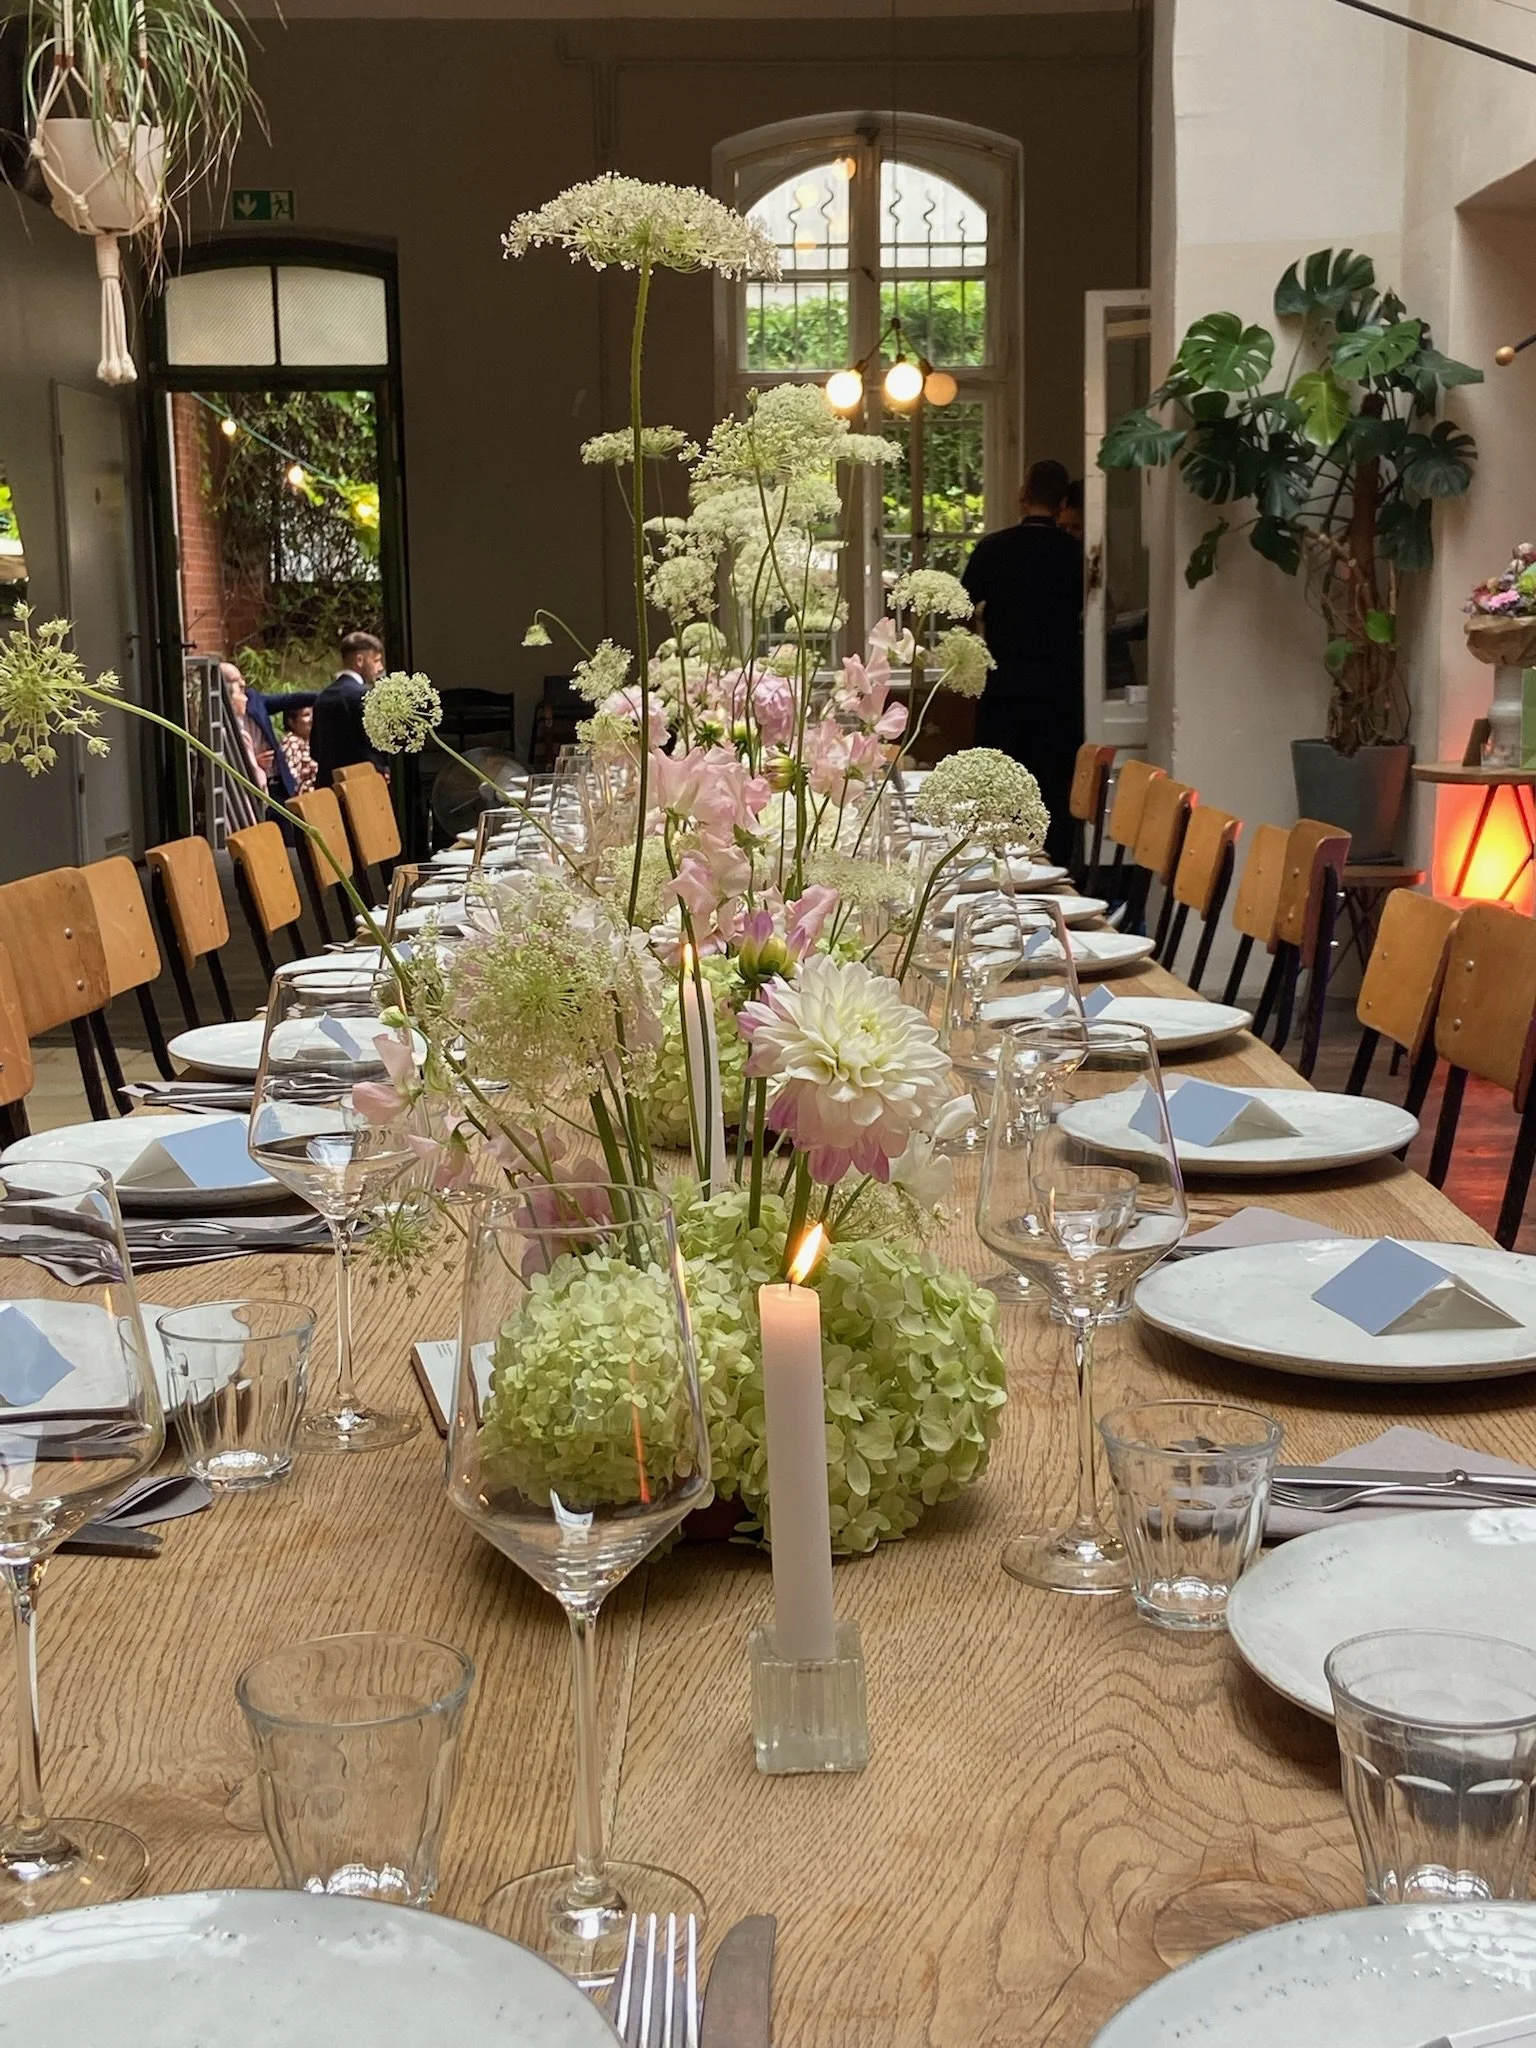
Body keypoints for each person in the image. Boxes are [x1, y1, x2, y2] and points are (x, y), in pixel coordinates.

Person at [961, 459, 1084, 865]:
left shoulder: (993, 549)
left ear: (1022, 496)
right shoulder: (1076, 555)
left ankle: (998, 877)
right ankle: (1059, 887)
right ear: (1063, 501)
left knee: (999, 801)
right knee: (1053, 800)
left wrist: (981, 636)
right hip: (1060, 693)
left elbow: (959, 606)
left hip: (1004, 690)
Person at [219, 660, 318, 805]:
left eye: (242, 678)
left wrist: (323, 696)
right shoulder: (219, 719)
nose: (243, 683)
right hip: (250, 788)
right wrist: (253, 762)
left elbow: (288, 700)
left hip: (276, 780)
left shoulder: (253, 699)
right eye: (236, 680)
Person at [311, 630, 387, 788]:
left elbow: (315, 750)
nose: (380, 668)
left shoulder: (322, 698)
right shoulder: (365, 696)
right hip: (362, 786)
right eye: (376, 661)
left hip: (329, 786)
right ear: (360, 660)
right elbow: (379, 747)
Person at [281, 703, 319, 795]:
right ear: (291, 722)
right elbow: (293, 779)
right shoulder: (291, 743)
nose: (312, 718)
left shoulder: (313, 740)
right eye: (306, 715)